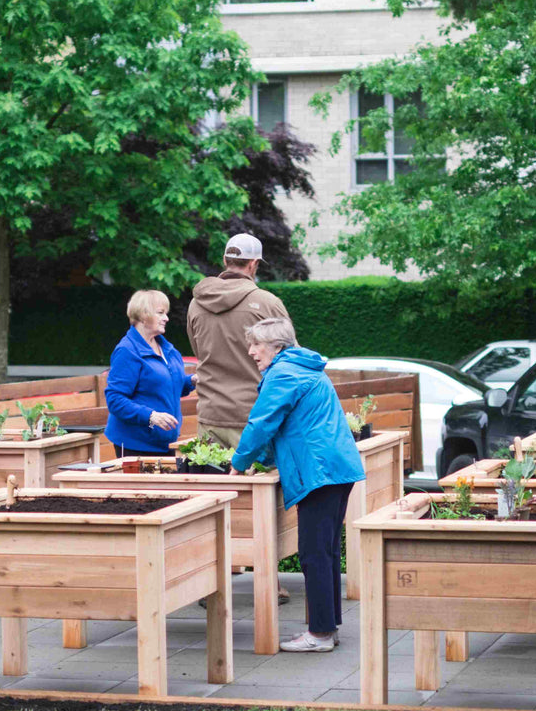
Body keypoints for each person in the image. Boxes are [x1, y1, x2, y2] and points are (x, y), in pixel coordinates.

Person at [229, 318, 365, 653]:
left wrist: (238, 463)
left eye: (256, 345)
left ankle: (319, 634)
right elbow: (288, 424)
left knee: (314, 553)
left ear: (275, 346)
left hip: (319, 472)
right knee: (327, 551)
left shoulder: (284, 373)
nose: (251, 351)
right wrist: (264, 459)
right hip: (335, 468)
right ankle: (326, 628)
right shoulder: (304, 368)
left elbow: (262, 422)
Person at [187, 233, 290, 450]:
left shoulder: (196, 305)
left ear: (225, 261)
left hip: (210, 416)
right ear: (254, 264)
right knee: (261, 483)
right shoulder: (267, 303)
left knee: (216, 483)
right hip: (255, 418)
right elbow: (289, 360)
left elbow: (198, 351)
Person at [104, 290, 196, 456]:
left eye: (166, 313)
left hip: (167, 442)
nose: (166, 318)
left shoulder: (167, 348)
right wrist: (151, 416)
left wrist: (193, 381)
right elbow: (115, 400)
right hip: (137, 445)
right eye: (160, 313)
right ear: (143, 316)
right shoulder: (127, 351)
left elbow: (168, 387)